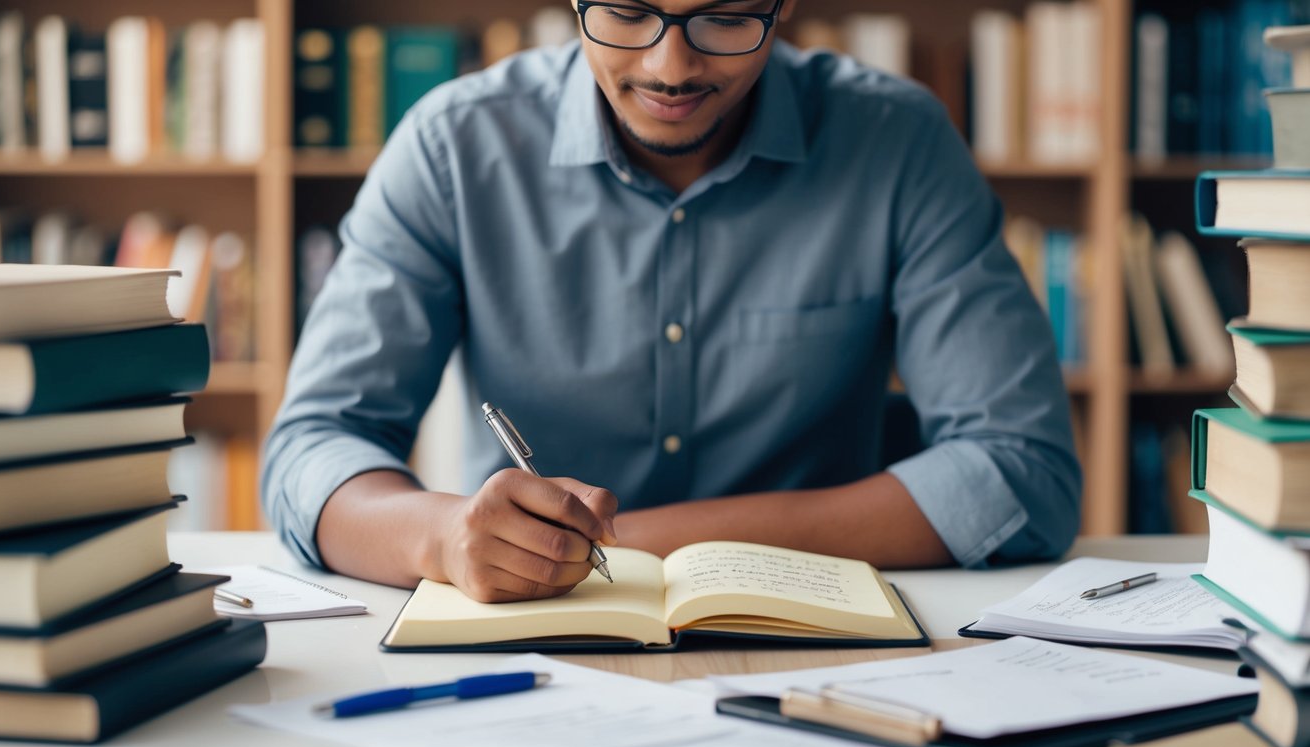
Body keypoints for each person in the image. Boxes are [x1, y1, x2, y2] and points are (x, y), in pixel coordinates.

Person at [261, 0, 1081, 602]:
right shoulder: (453, 146)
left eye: (723, 19)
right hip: (530, 642)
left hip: (815, 640)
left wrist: (622, 546)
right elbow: (312, 447)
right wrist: (439, 537)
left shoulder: (897, 142)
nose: (670, 68)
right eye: (625, 13)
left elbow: (1022, 472)